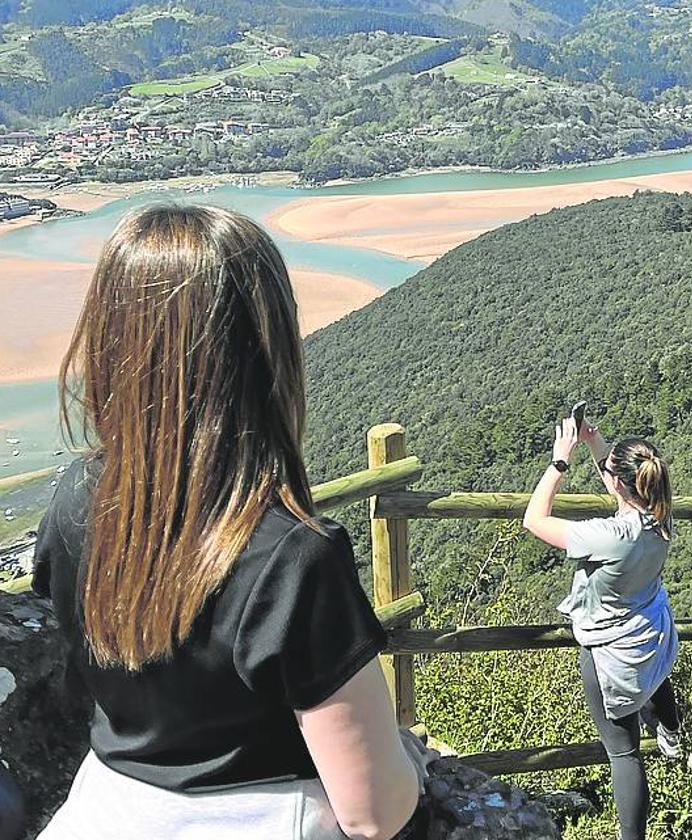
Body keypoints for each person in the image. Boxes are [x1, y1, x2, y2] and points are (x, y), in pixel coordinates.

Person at [32, 204, 423, 840]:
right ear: (262, 353)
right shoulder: (294, 555)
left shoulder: (75, 498)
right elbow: (375, 812)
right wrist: (414, 761)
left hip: (107, 808)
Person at [522, 415, 683, 840]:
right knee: (657, 676)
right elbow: (623, 488)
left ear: (617, 484)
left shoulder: (610, 535)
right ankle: (670, 728)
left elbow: (534, 520)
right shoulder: (662, 515)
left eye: (609, 472)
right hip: (650, 629)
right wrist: (598, 445)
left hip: (611, 648)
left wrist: (559, 462)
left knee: (624, 754)